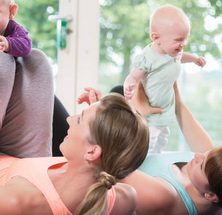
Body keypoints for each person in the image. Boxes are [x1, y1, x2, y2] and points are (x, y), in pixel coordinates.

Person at [0, 41, 150, 215]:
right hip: (20, 162)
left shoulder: (22, 202)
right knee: (35, 61)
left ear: (93, 151)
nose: (68, 119)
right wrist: (102, 116)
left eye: (78, 119)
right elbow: (121, 152)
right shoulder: (122, 196)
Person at [77, 84, 221, 215]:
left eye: (201, 166)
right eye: (206, 155)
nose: (197, 156)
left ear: (211, 196)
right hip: (109, 150)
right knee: (120, 91)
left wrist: (100, 116)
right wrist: (173, 94)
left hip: (85, 162)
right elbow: (209, 153)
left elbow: (110, 159)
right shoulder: (212, 174)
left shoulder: (164, 197)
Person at [123, 4, 206, 153]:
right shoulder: (148, 58)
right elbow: (133, 76)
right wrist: (129, 85)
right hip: (148, 114)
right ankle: (142, 170)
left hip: (164, 111)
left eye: (186, 38)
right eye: (179, 39)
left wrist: (194, 59)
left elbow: (181, 57)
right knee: (146, 146)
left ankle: (154, 162)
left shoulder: (173, 52)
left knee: (161, 141)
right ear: (156, 38)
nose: (183, 44)